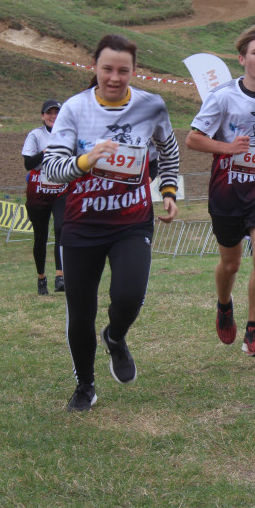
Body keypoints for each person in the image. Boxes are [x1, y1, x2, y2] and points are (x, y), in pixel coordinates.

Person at [42, 34, 180, 411]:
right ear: (95, 68)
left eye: (123, 70)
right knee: (80, 312)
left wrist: (168, 191)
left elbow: (168, 150)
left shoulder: (151, 106)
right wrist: (86, 160)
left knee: (129, 295)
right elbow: (51, 170)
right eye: (107, 69)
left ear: (134, 71)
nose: (115, 77)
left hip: (131, 222)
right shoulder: (74, 109)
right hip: (81, 226)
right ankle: (85, 386)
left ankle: (116, 337)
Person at [186, 24, 255, 360]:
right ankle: (224, 306)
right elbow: (193, 138)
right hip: (227, 192)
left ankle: (254, 330)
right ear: (242, 59)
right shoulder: (223, 97)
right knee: (230, 264)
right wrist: (227, 147)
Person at [23, 99, 69, 296]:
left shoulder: (68, 134)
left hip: (60, 191)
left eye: (56, 113)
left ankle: (60, 276)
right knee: (40, 237)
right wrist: (45, 152)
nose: (53, 116)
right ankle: (41, 277)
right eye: (49, 113)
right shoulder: (35, 135)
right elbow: (28, 163)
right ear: (43, 116)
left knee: (61, 228)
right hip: (38, 192)